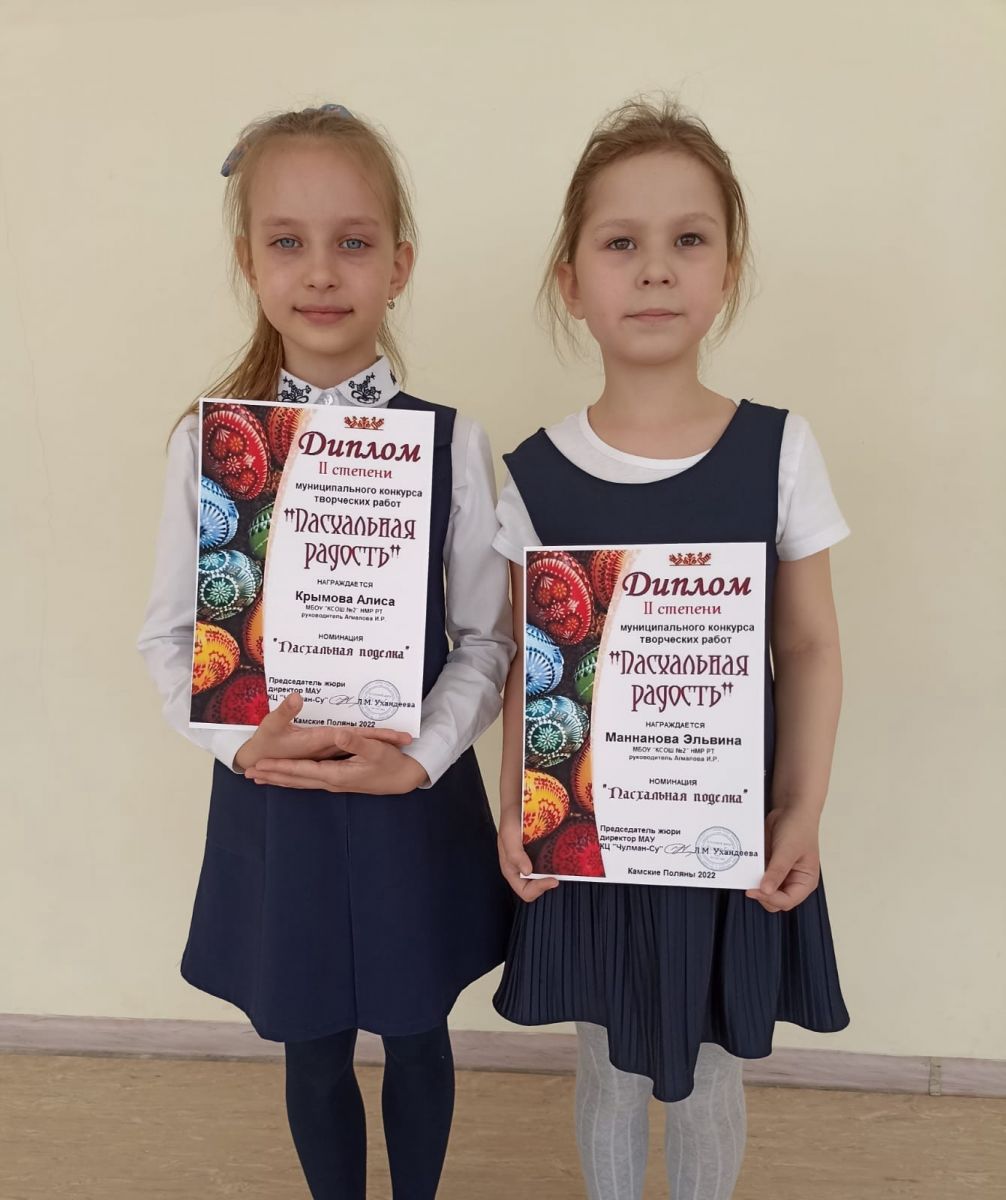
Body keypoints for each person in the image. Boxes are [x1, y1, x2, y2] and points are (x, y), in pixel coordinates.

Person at [137, 103, 514, 1200]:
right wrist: (240, 745)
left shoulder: (454, 441)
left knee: (418, 1029)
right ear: (247, 259)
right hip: (279, 792)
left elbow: (489, 639)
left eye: (352, 241)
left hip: (410, 793)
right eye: (287, 241)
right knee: (308, 1040)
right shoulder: (210, 447)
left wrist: (423, 754)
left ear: (399, 264)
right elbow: (169, 636)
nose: (320, 271)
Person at [493, 97, 850, 1200]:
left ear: (727, 270)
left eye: (688, 239)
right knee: (606, 1065)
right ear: (571, 281)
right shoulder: (531, 476)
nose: (655, 268)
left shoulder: (780, 450)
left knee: (707, 1073)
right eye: (621, 243)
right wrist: (516, 808)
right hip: (592, 835)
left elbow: (810, 646)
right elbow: (525, 670)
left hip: (727, 836)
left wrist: (801, 811)